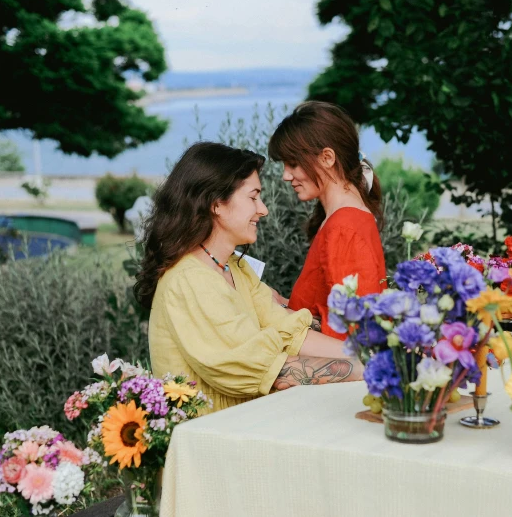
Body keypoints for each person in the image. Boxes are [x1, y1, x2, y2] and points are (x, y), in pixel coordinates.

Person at [135, 142, 362, 414]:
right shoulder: (189, 281)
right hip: (210, 439)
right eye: (253, 197)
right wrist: (375, 370)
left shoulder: (234, 268)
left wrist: (372, 356)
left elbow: (293, 334)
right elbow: (270, 369)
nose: (263, 209)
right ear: (216, 204)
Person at [268, 101, 387, 339]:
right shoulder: (339, 220)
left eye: (292, 164)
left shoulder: (344, 228)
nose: (285, 175)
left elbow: (352, 332)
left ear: (327, 157)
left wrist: (280, 313)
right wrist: (278, 303)